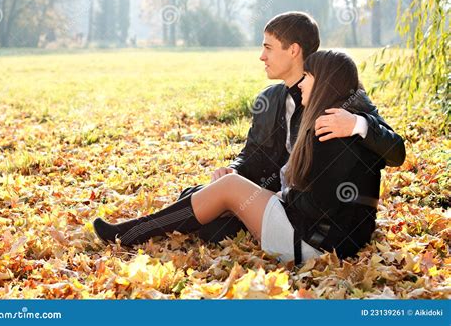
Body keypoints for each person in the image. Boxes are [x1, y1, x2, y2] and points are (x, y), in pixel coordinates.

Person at [94, 50, 391, 265]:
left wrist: (276, 195)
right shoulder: (350, 120)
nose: (301, 83)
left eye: (309, 77)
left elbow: (319, 205)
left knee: (230, 188)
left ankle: (131, 232)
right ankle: (198, 211)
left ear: (325, 83)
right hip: (331, 238)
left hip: (316, 245)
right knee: (215, 220)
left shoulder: (332, 130)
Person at [179, 11, 405, 244]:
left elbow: (396, 152)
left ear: (294, 50)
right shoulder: (269, 99)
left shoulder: (340, 99)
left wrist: (359, 124)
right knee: (195, 201)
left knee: (206, 217)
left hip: (305, 212)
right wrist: (234, 170)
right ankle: (234, 211)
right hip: (272, 199)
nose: (261, 56)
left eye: (268, 47)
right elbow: (252, 153)